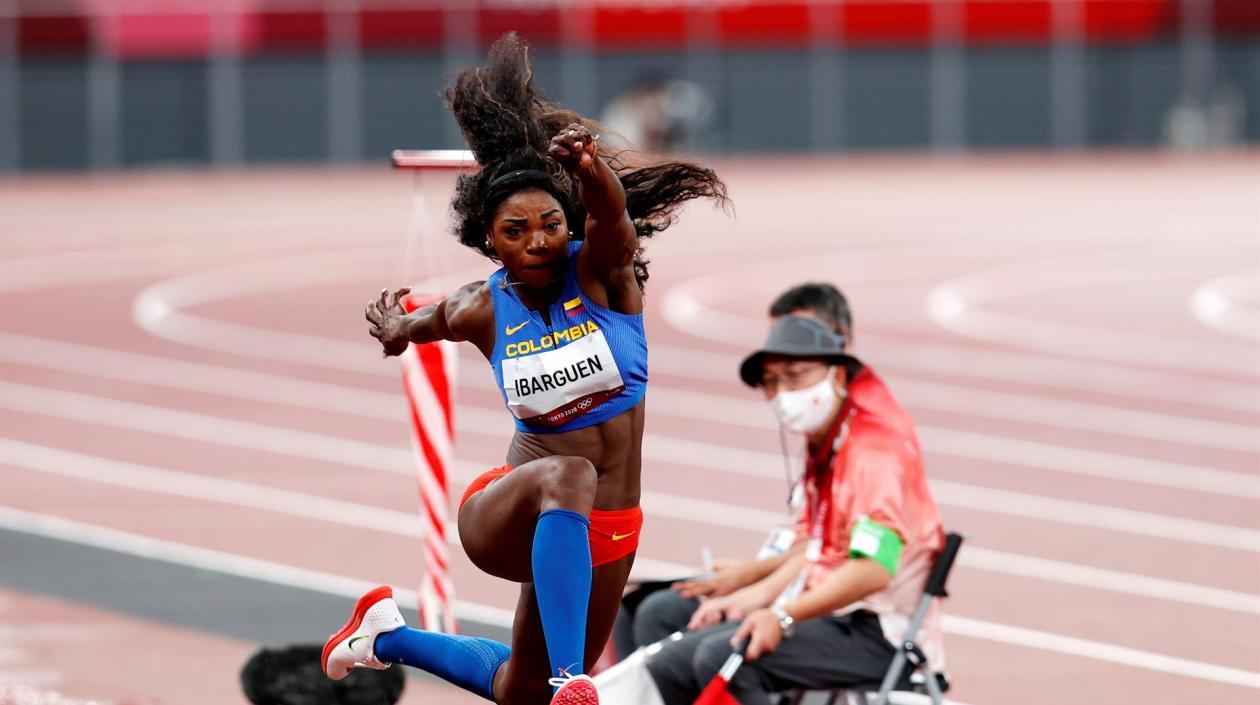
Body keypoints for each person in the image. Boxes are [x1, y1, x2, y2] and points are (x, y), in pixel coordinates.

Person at [319, 34, 726, 705]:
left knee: (520, 691)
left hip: (609, 525)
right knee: (570, 473)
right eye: (516, 230)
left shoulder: (603, 278)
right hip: (510, 507)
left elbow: (614, 220)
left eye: (549, 223)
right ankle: (573, 676)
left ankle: (382, 636)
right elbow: (425, 323)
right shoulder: (481, 306)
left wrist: (592, 170)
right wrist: (397, 330)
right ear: (490, 239)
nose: (538, 240)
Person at [645, 315, 945, 705]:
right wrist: (756, 593)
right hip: (836, 612)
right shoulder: (826, 443)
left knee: (722, 659)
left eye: (795, 375)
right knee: (669, 658)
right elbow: (817, 548)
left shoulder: (872, 451)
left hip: (881, 632)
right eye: (771, 383)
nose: (782, 393)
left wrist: (783, 614)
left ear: (837, 376)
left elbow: (873, 570)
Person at [623, 283, 854, 651]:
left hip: (832, 607)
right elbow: (815, 541)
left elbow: (843, 553)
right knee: (635, 606)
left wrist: (754, 584)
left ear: (839, 344)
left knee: (668, 621)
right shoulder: (817, 431)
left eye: (797, 341)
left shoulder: (860, 438)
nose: (783, 346)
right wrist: (748, 573)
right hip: (790, 580)